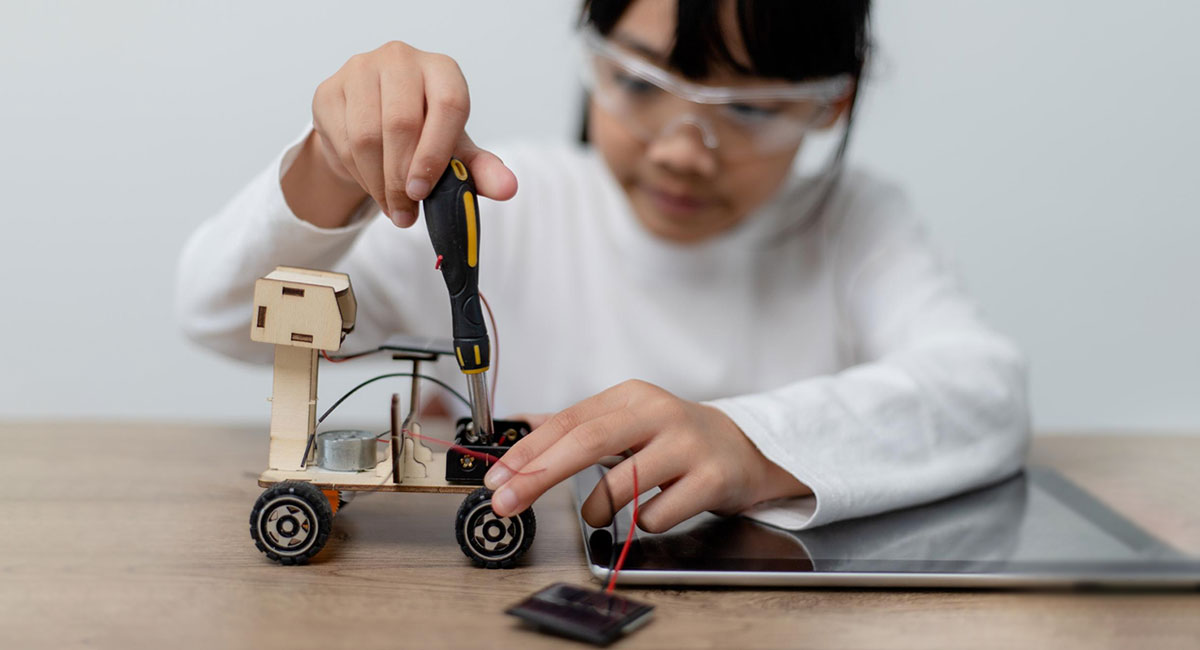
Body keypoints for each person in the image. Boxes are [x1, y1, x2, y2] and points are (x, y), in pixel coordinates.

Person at [176, 0, 1029, 534]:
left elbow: (983, 390)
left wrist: (748, 439)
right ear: (593, 51)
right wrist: (331, 160)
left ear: (831, 103)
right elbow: (219, 315)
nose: (683, 152)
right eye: (642, 84)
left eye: (749, 110)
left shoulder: (854, 224)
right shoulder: (509, 203)